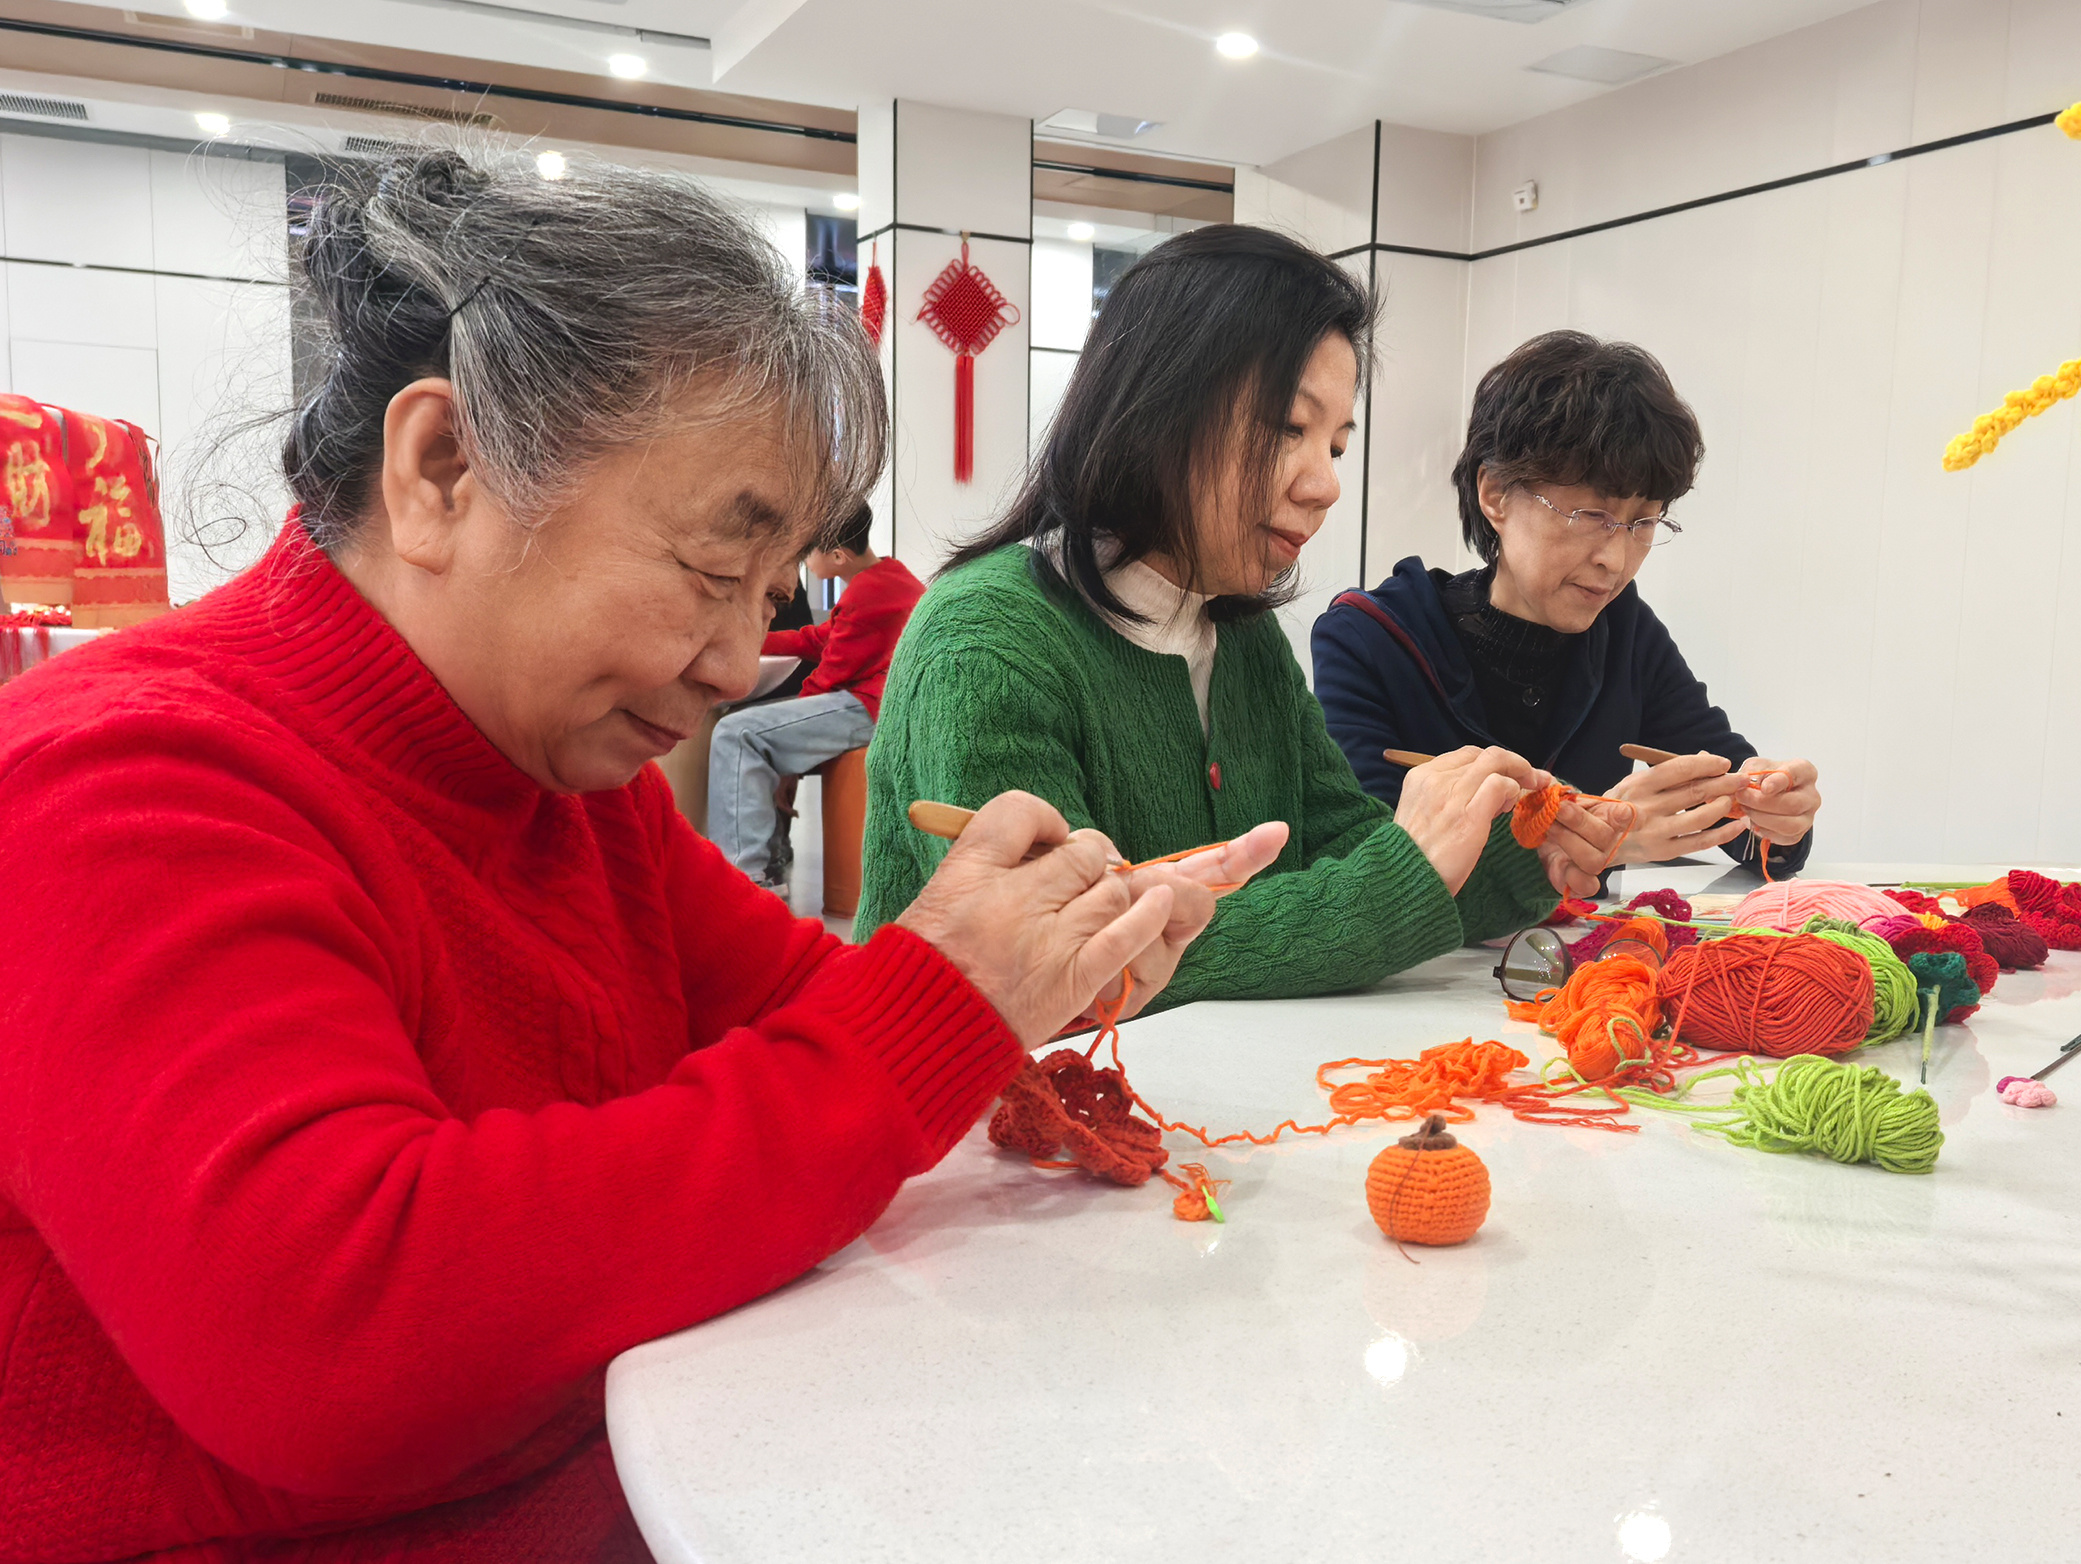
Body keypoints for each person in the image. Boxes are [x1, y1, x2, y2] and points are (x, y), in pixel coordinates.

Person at [0, 147, 1278, 1563]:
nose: (740, 660)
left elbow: (808, 1006)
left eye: (773, 586)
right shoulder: (121, 777)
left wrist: (1043, 975)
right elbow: (330, 1337)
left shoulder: (555, 773)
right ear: (442, 469)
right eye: (708, 572)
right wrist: (935, 1007)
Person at [855, 225, 1620, 1007]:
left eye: (1336, 445)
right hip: (992, 1116)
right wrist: (1408, 868)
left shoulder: (1238, 634)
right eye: (1289, 429)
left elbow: (1343, 843)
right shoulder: (988, 643)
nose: (1323, 485)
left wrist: (1526, 851)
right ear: (1155, 410)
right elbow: (1075, 966)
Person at [1312, 329, 1822, 880]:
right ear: (1495, 495)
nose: (1616, 558)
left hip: (1588, 964)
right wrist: (1600, 837)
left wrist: (1777, 814)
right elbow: (1363, 867)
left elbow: (1730, 804)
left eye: (1643, 521)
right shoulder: (1372, 638)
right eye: (1592, 516)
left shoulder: (1624, 631)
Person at [708, 502, 922, 888]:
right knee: (750, 732)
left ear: (838, 556)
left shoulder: (870, 591)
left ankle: (746, 880)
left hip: (869, 708)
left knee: (736, 733)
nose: (805, 565)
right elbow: (820, 638)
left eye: (809, 555)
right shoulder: (889, 577)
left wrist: (790, 763)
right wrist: (753, 641)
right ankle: (759, 867)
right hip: (878, 704)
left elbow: (827, 676)